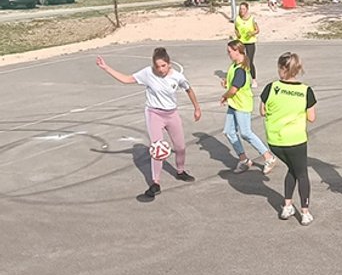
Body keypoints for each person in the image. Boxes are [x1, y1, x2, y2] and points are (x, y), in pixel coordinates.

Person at [96, 48, 202, 199]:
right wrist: (106, 68)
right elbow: (126, 79)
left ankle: (180, 171)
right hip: (154, 114)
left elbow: (189, 90)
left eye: (163, 66)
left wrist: (197, 108)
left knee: (180, 147)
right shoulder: (147, 73)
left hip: (171, 114)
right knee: (157, 148)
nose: (160, 70)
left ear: (169, 64)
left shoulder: (177, 77)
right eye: (157, 67)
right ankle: (155, 183)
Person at [259, 52, 317, 226]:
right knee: (301, 173)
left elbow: (262, 111)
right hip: (296, 140)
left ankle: (287, 205)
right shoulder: (305, 90)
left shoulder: (271, 87)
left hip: (275, 141)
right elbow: (312, 117)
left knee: (292, 169)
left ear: (282, 68)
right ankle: (305, 212)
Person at [220, 40, 277, 175]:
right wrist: (225, 83)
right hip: (234, 104)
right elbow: (231, 83)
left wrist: (224, 96)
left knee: (246, 133)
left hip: (242, 105)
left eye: (230, 52)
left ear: (237, 51)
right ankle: (244, 160)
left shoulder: (241, 69)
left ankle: (268, 157)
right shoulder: (234, 66)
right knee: (229, 131)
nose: (228, 54)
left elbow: (234, 90)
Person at [234, 2, 260, 86]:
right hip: (241, 41)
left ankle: (254, 79)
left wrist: (252, 33)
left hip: (250, 42)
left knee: (249, 60)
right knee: (240, 60)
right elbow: (236, 28)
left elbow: (257, 30)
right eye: (240, 9)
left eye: (243, 9)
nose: (242, 11)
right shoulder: (237, 19)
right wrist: (237, 34)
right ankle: (241, 78)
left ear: (247, 9)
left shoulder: (252, 18)